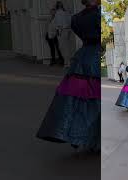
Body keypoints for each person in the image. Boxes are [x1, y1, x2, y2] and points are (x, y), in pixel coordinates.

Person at [37, 0, 100, 152]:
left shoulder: (76, 18)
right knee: (95, 101)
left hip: (82, 58)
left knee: (76, 99)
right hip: (97, 57)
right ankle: (93, 139)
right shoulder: (98, 15)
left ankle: (75, 135)